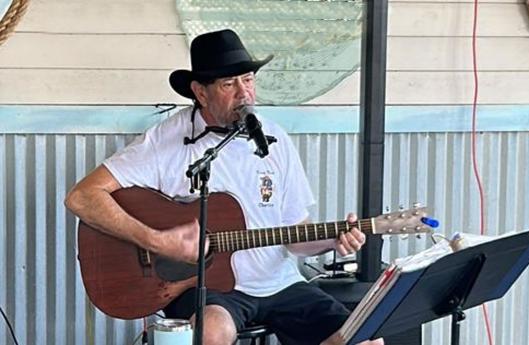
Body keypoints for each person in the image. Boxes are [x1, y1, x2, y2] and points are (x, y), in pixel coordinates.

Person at [65, 29, 383, 345]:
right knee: (212, 332)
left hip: (281, 284)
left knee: (364, 339)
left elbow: (295, 235)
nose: (243, 93)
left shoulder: (274, 139)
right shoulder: (167, 141)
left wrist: (333, 239)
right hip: (208, 288)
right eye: (229, 84)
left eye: (247, 79)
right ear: (200, 93)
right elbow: (82, 197)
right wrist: (159, 242)